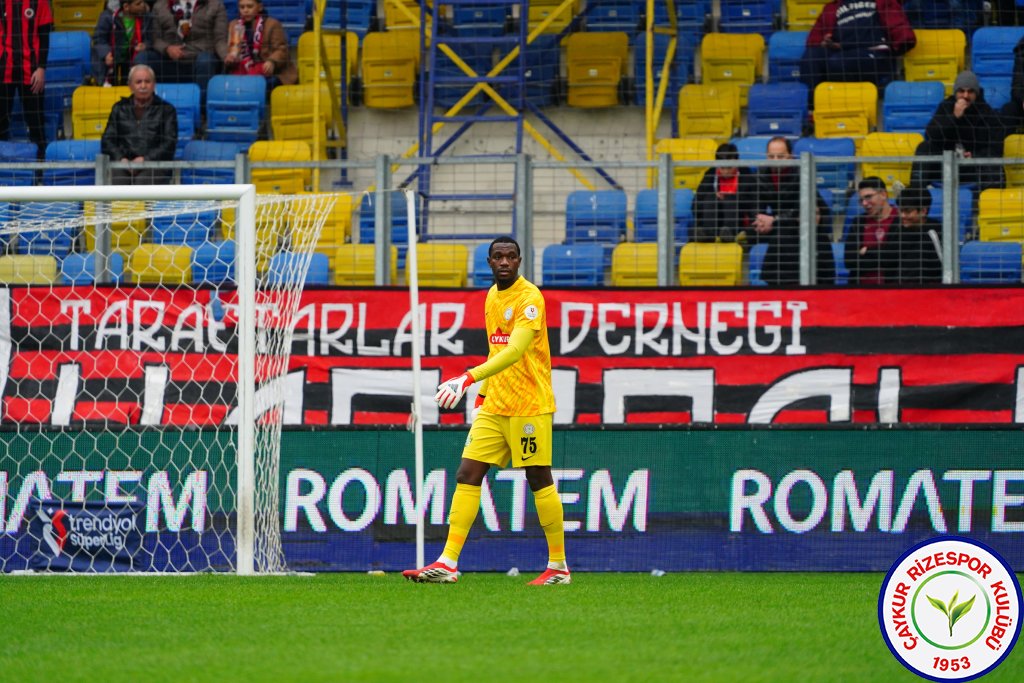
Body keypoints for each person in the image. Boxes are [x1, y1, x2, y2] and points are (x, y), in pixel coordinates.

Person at [403, 236, 568, 586]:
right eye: (498, 257)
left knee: (538, 478)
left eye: (511, 256)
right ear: (489, 262)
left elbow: (515, 351)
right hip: (496, 404)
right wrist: (482, 394)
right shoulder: (492, 296)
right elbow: (496, 350)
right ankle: (448, 562)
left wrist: (467, 378)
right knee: (467, 473)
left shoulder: (529, 298)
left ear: (519, 261)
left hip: (529, 405)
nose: (505, 262)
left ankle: (558, 566)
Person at [753, 137, 835, 285]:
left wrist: (775, 220)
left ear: (790, 156)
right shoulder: (761, 174)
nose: (776, 161)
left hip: (806, 228)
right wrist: (760, 220)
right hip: (781, 230)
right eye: (771, 156)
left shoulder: (803, 173)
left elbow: (805, 207)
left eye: (781, 156)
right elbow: (757, 204)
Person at [910, 70, 1005, 191]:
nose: (965, 96)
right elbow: (930, 135)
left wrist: (975, 155)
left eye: (970, 91)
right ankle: (916, 193)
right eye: (961, 91)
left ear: (976, 93)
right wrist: (953, 117)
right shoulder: (946, 106)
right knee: (924, 147)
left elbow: (996, 147)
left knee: (994, 166)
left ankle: (989, 199)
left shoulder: (986, 112)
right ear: (955, 92)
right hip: (946, 164)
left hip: (973, 167)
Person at [799, 0, 915, 98]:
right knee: (811, 57)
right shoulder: (832, 7)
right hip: (840, 51)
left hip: (872, 52)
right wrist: (824, 42)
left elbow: (901, 31)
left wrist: (895, 48)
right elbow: (813, 40)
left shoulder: (882, 1)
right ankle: (811, 108)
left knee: (837, 62)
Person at [100, 64, 178, 185]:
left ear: (154, 84)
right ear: (130, 86)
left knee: (142, 183)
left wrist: (145, 159)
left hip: (155, 164)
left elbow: (169, 143)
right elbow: (107, 140)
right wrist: (121, 159)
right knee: (118, 181)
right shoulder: (119, 108)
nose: (143, 86)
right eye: (138, 82)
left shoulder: (167, 110)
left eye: (147, 81)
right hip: (123, 164)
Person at [0, 0, 53, 159]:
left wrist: (41, 68)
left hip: (32, 72)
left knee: (36, 123)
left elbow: (44, 37)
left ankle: (40, 167)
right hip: (4, 70)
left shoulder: (40, 2)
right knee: (1, 123)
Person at [151, 0, 228, 102]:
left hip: (199, 61)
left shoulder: (215, 5)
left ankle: (201, 108)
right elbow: (155, 39)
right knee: (144, 58)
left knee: (206, 61)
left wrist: (226, 56)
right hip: (169, 61)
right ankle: (147, 106)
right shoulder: (160, 6)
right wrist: (167, 48)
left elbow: (220, 40)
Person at [692, 142, 758, 245]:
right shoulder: (710, 175)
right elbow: (695, 206)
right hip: (714, 219)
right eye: (722, 168)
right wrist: (715, 197)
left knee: (730, 200)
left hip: (738, 221)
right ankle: (707, 233)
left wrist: (732, 198)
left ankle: (730, 232)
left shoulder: (746, 175)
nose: (726, 171)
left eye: (729, 167)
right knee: (710, 198)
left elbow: (754, 204)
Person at [223, 0, 296, 90]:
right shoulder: (234, 25)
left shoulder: (272, 24)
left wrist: (272, 61)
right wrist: (230, 57)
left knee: (258, 85)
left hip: (270, 70)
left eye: (250, 6)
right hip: (243, 67)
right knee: (230, 84)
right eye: (242, 7)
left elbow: (282, 50)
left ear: (260, 7)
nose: (245, 10)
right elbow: (231, 48)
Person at [881, 185, 943, 285]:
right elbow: (888, 257)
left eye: (907, 211)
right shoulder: (897, 226)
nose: (902, 216)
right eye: (900, 211)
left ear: (923, 211)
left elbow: (942, 267)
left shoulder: (934, 232)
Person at [91, 0, 160, 87]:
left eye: (143, 2)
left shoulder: (146, 17)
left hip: (131, 58)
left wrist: (145, 45)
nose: (143, 5)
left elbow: (151, 38)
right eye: (138, 4)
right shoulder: (108, 17)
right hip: (111, 58)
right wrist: (105, 54)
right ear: (126, 7)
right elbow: (99, 38)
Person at [845, 177, 898, 285]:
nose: (864, 203)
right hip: (860, 290)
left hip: (893, 290)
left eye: (868, 197)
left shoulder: (901, 220)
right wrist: (883, 253)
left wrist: (867, 251)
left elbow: (896, 258)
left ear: (883, 194)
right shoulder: (858, 222)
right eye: (861, 200)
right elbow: (850, 261)